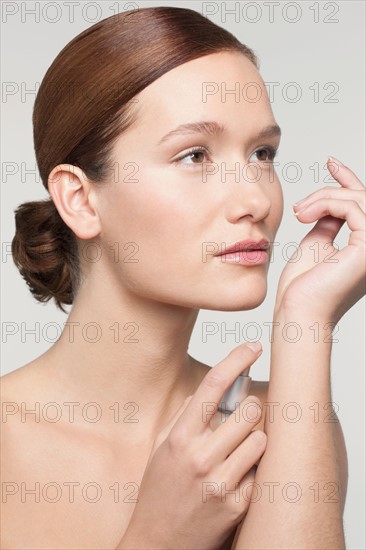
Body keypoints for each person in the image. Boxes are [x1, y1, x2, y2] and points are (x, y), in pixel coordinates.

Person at [1, 6, 365, 550]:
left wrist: (305, 325)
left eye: (263, 153)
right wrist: (159, 536)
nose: (256, 199)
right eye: (195, 155)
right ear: (80, 199)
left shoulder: (278, 427)